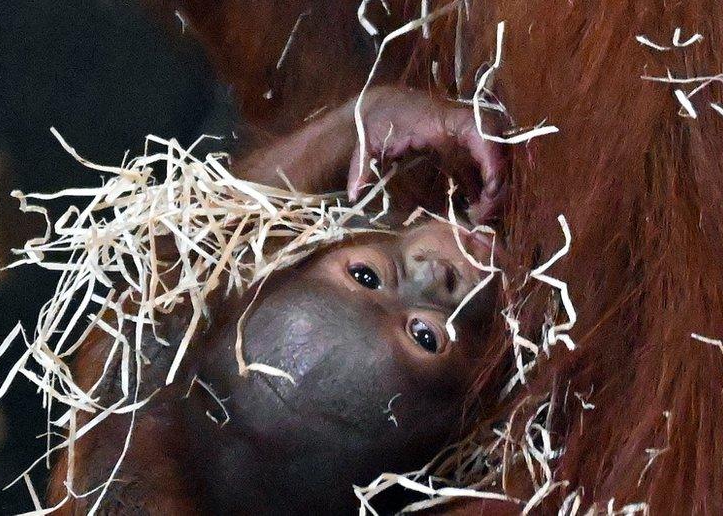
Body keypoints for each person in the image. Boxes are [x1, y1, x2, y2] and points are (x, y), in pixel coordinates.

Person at [48, 87, 511, 513]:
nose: (432, 270)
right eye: (424, 336)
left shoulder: (130, 408)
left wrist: (362, 119)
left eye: (367, 274)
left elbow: (198, 234)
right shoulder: (492, 463)